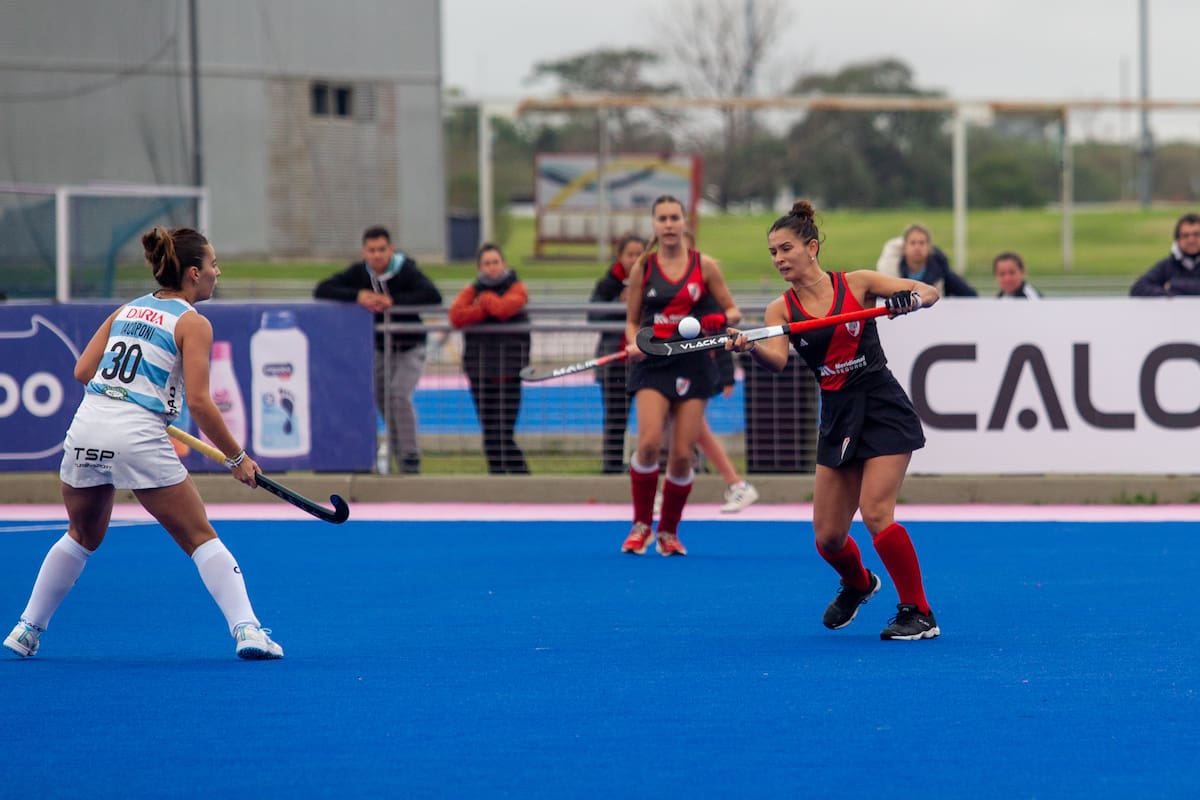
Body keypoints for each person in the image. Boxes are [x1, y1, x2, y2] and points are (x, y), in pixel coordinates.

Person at [4, 227, 283, 660]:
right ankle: (247, 629)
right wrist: (238, 457)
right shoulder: (193, 323)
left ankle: (26, 630)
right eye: (212, 265)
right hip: (136, 433)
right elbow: (201, 403)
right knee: (199, 536)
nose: (217, 272)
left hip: (87, 426)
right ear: (193, 273)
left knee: (80, 535)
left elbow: (82, 372)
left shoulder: (126, 310)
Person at [726, 200, 942, 640]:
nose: (779, 258)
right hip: (837, 414)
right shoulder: (780, 310)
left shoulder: (858, 283)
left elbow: (929, 292)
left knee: (877, 513)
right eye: (773, 252)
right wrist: (749, 348)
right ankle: (860, 584)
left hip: (881, 405)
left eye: (786, 248)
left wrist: (907, 299)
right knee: (827, 538)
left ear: (812, 247)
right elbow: (778, 362)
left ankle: (919, 613)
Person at [621, 195, 740, 556]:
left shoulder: (705, 266)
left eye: (675, 217)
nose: (669, 224)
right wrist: (634, 344)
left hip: (693, 364)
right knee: (649, 443)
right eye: (662, 218)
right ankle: (641, 525)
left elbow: (732, 311)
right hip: (653, 364)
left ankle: (668, 533)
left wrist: (715, 322)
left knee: (682, 456)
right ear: (654, 225)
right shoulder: (644, 266)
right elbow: (631, 321)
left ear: (685, 222)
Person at [314, 226, 442, 474]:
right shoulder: (359, 273)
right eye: (371, 250)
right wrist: (359, 295)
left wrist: (392, 302)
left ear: (391, 250)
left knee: (398, 394)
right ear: (364, 253)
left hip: (409, 347)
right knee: (381, 397)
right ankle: (396, 450)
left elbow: (432, 295)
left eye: (382, 250)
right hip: (379, 348)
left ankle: (410, 456)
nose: (377, 255)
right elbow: (323, 289)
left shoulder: (406, 270)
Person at [449, 242, 531, 474]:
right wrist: (486, 308)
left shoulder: (517, 287)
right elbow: (456, 315)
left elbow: (505, 308)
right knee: (490, 434)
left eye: (495, 262)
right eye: (487, 263)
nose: (492, 267)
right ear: (479, 267)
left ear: (503, 264)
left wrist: (484, 301)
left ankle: (522, 479)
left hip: (509, 371)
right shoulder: (471, 290)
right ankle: (497, 479)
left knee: (503, 433)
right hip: (481, 372)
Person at [588, 234, 645, 474]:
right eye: (629, 254)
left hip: (646, 359)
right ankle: (611, 465)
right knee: (615, 416)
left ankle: (651, 464)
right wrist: (621, 306)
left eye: (639, 254)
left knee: (654, 417)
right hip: (616, 360)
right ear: (620, 256)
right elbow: (593, 315)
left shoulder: (652, 281)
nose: (634, 259)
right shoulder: (607, 284)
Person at [876, 223, 977, 297]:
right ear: (904, 248)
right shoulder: (893, 272)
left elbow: (971, 295)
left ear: (929, 247)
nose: (917, 247)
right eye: (913, 243)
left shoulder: (942, 272)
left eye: (921, 243)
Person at [1130, 212, 1200, 296]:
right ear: (1177, 239)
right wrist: (1166, 293)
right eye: (1185, 235)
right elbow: (1138, 289)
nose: (1191, 240)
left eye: (1196, 234)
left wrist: (1173, 285)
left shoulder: (1172, 283)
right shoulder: (1167, 265)